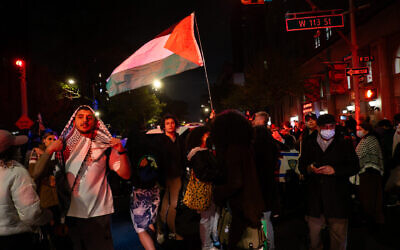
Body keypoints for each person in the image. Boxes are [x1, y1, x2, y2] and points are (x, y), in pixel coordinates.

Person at [38, 105, 131, 250]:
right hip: (70, 214)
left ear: (95, 122)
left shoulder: (104, 146)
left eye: (89, 118)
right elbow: (38, 174)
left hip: (98, 213)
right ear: (73, 121)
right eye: (80, 117)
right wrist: (49, 150)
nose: (85, 121)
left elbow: (125, 174)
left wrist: (122, 152)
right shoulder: (62, 148)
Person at [299, 114, 359, 250]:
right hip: (315, 199)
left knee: (338, 238)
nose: (328, 129)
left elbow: (355, 166)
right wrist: (309, 168)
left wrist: (335, 170)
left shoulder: (344, 142)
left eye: (331, 126)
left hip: (337, 198)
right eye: (325, 127)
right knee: (314, 239)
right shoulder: (309, 141)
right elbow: (301, 165)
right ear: (318, 128)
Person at [211, 110, 265, 250]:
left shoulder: (233, 151)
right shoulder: (246, 147)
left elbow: (235, 182)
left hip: (239, 208)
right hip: (250, 204)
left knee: (234, 242)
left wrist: (217, 192)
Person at [0, 130, 52, 250]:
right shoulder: (16, 172)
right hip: (14, 239)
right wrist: (48, 215)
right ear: (12, 150)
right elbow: (31, 214)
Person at [185, 126, 220, 250]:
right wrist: (219, 173)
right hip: (205, 189)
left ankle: (212, 241)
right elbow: (203, 174)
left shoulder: (205, 151)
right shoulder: (198, 153)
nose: (209, 136)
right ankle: (206, 245)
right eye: (207, 134)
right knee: (206, 218)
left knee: (213, 215)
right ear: (201, 137)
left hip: (210, 188)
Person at [127, 127, 160, 250]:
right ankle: (155, 243)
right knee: (150, 222)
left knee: (140, 229)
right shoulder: (151, 150)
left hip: (139, 193)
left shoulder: (132, 153)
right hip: (154, 189)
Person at [28, 131, 61, 249]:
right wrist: (45, 155)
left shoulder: (59, 153)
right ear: (43, 140)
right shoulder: (36, 152)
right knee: (48, 231)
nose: (52, 142)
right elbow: (33, 173)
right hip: (45, 198)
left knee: (60, 231)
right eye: (49, 139)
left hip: (58, 198)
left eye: (54, 139)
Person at [252, 111, 279, 250]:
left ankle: (262, 245)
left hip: (256, 184)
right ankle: (269, 245)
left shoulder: (254, 141)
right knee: (266, 219)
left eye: (255, 119)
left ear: (261, 121)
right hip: (268, 183)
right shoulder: (272, 141)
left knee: (259, 219)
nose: (252, 121)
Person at [158, 114, 186, 243]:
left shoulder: (179, 139)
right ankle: (167, 231)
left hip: (177, 176)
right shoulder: (161, 140)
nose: (170, 125)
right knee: (168, 204)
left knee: (172, 205)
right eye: (167, 123)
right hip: (165, 177)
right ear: (164, 126)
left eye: (172, 123)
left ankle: (167, 231)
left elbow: (183, 157)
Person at [354, 121, 385, 229]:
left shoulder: (370, 140)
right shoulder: (366, 139)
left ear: (366, 130)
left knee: (370, 198)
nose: (358, 131)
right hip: (369, 172)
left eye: (360, 129)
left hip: (369, 173)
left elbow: (361, 155)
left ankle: (372, 220)